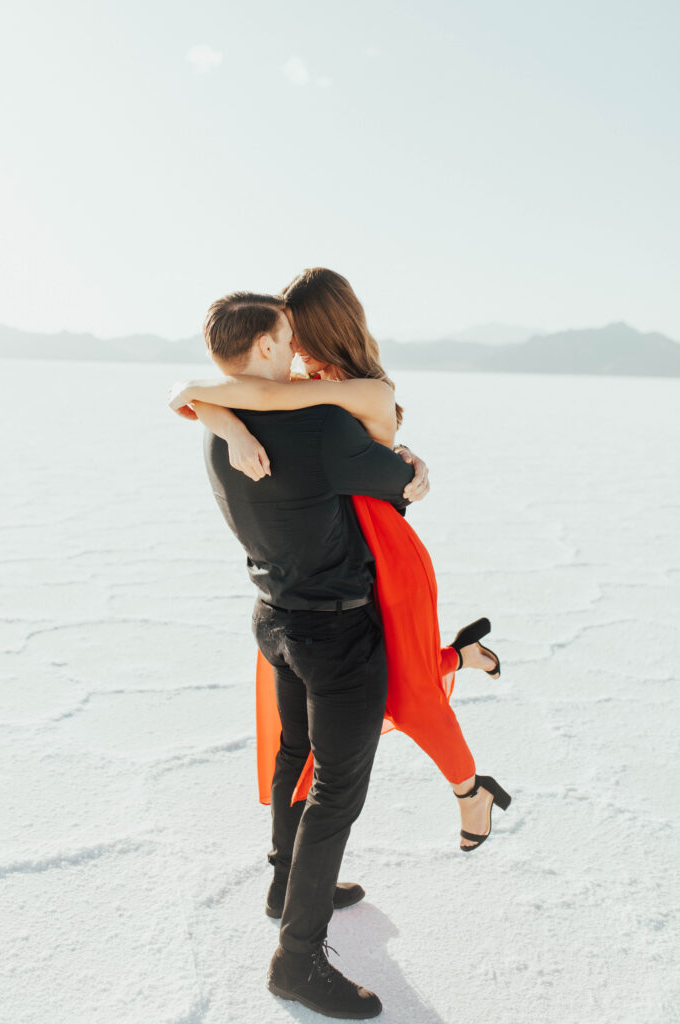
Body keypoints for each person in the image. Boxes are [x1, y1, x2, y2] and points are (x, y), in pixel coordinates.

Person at [170, 269, 511, 855]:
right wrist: (225, 424)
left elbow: (226, 392)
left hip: (383, 547)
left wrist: (222, 412)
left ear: (321, 329)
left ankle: (469, 791)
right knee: (385, 667)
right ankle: (461, 656)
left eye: (296, 334)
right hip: (341, 546)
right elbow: (203, 392)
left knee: (405, 689)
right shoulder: (305, 380)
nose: (289, 350)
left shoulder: (364, 391)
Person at [188, 290, 421, 1018]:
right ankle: (296, 961)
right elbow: (400, 484)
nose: (296, 350)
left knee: (296, 754)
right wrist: (407, 464)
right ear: (262, 346)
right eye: (286, 337)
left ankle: (285, 879)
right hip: (336, 633)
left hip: (275, 620)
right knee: (336, 791)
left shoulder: (216, 428)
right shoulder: (318, 426)